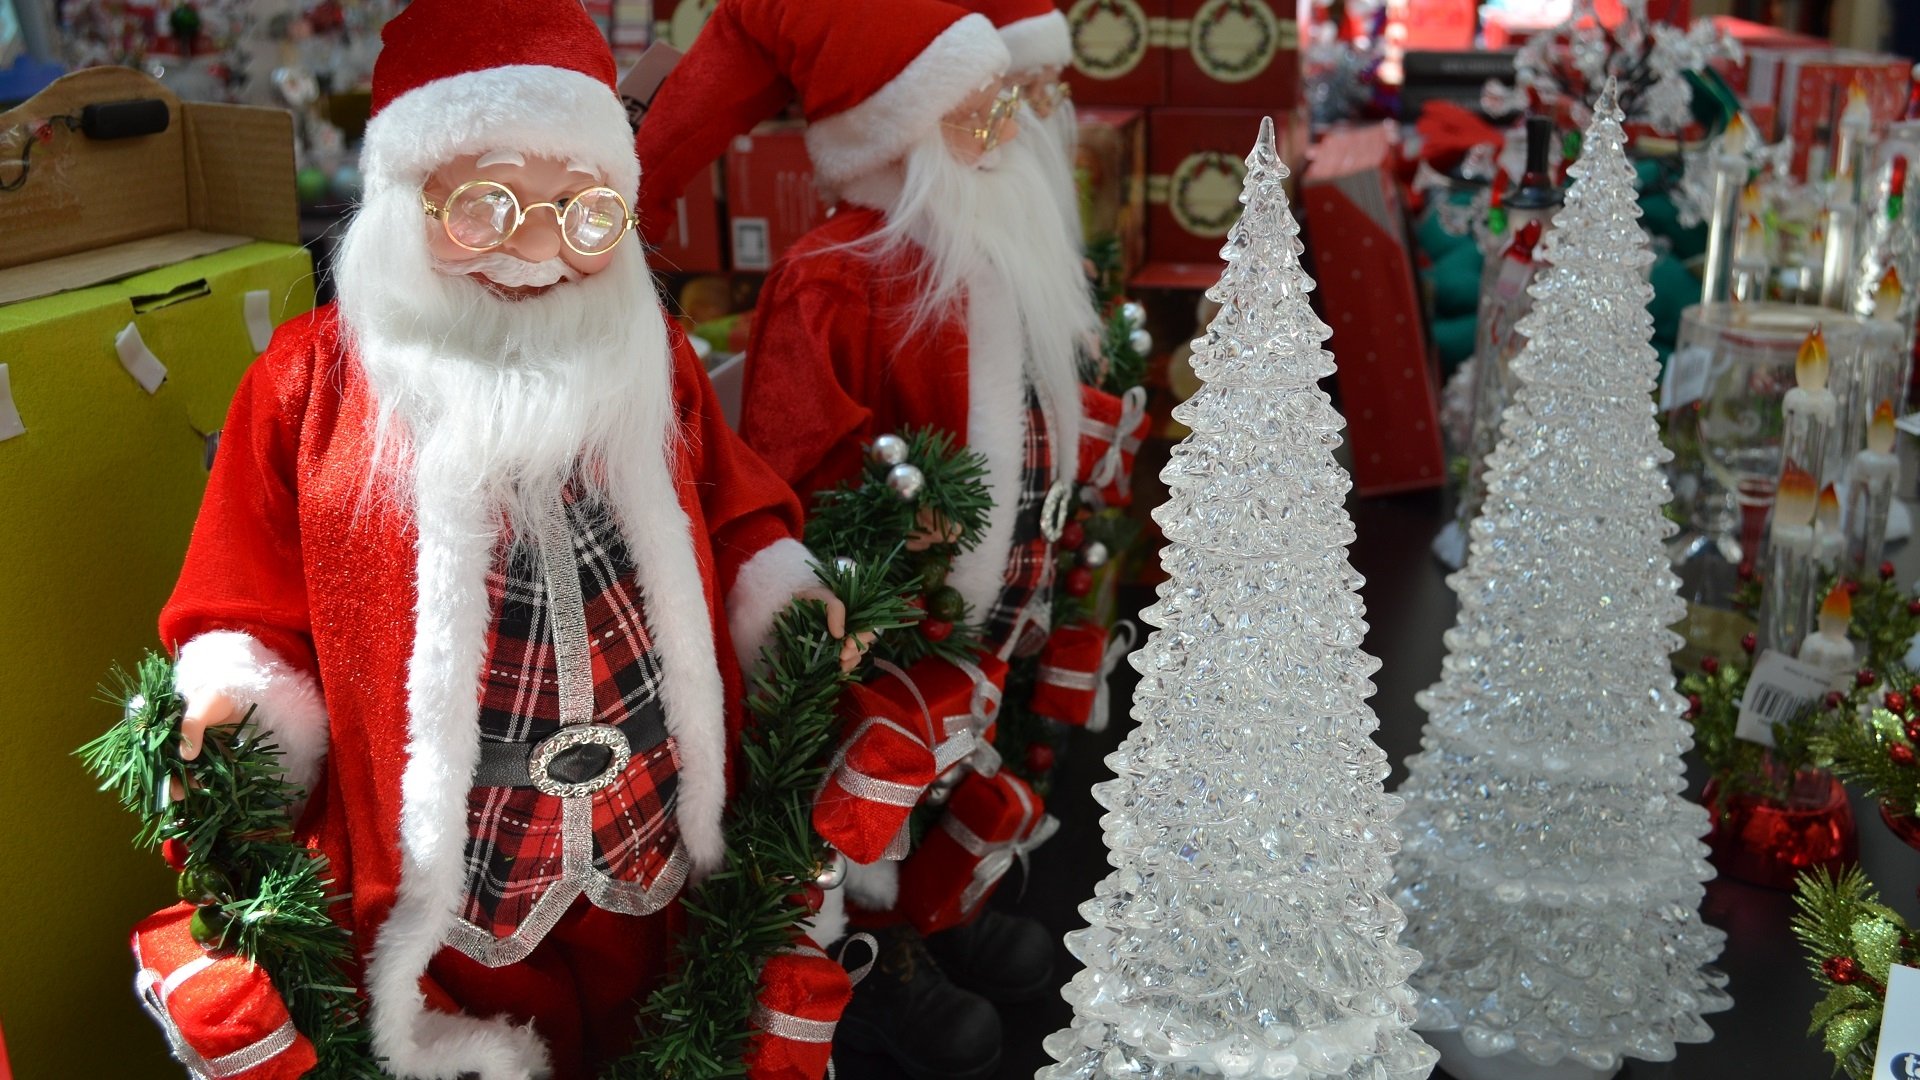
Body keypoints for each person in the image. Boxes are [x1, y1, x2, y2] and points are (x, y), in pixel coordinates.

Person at [156, 1, 855, 1076]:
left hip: (647, 825)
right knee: (463, 1020)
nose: (535, 250)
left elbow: (732, 504)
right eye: (485, 206)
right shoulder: (309, 381)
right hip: (458, 853)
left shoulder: (648, 356)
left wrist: (781, 588)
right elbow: (247, 587)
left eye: (580, 214)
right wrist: (234, 701)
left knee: (652, 1015)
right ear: (407, 198)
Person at [635, 2, 1102, 1077]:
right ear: (904, 130)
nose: (1011, 140)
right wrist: (880, 555)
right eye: (976, 117)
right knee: (861, 794)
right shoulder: (841, 274)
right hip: (877, 619)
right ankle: (870, 952)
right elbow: (789, 471)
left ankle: (936, 912)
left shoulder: (990, 256)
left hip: (971, 615)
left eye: (1008, 109)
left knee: (946, 761)